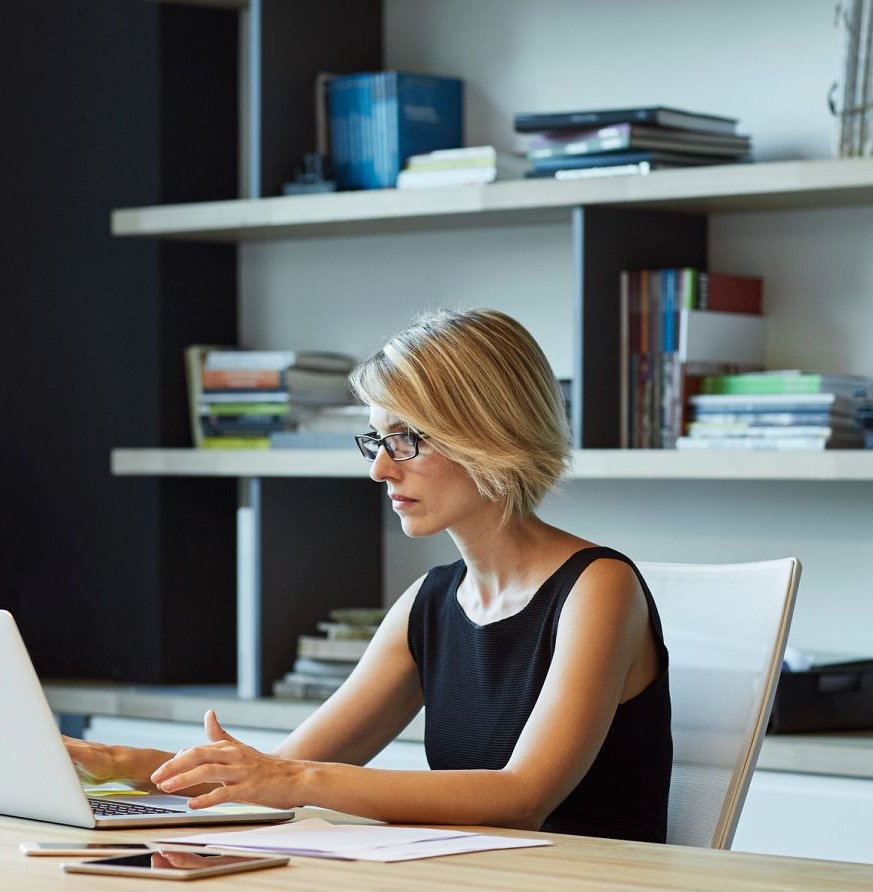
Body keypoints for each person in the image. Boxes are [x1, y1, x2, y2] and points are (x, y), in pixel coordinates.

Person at [67, 308, 672, 840]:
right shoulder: (431, 602)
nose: (381, 470)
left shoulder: (599, 588)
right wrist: (118, 760)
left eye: (406, 440)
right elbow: (281, 768)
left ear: (488, 433)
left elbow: (521, 799)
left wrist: (293, 778)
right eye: (377, 440)